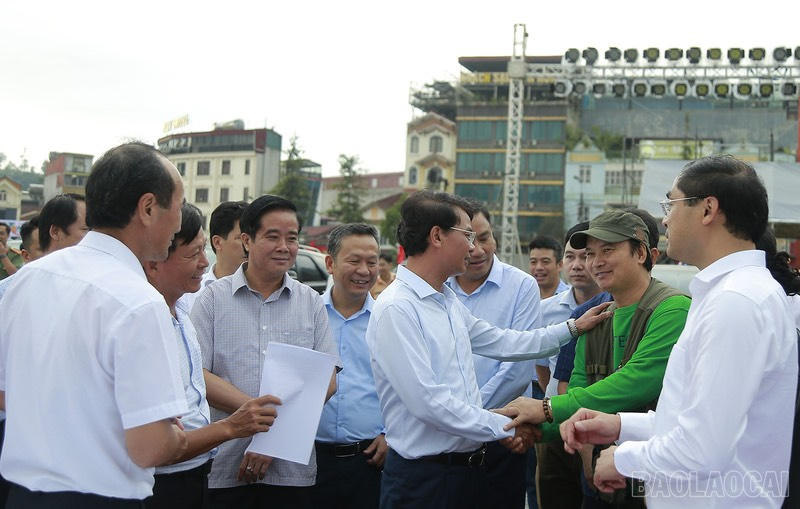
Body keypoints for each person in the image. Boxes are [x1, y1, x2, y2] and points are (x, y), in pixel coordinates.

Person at [559, 155, 798, 508]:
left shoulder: (735, 301)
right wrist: (620, 425)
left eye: (671, 204)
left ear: (708, 209)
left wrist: (623, 459)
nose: (665, 218)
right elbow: (696, 420)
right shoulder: (732, 293)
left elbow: (703, 448)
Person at [367, 190, 611, 509]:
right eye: (467, 235)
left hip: (466, 470)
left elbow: (503, 341)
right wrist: (504, 425)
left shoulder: (445, 301)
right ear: (437, 236)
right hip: (425, 480)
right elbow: (429, 403)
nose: (474, 247)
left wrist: (573, 327)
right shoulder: (398, 308)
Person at [0, 142, 193, 507]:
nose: (180, 222)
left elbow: (7, 393)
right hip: (100, 499)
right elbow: (151, 448)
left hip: (21, 495)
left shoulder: (28, 279)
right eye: (179, 207)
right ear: (148, 208)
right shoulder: (139, 301)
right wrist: (175, 437)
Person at [501, 209, 691, 507]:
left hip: (656, 475)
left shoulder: (672, 309)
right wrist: (535, 430)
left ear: (641, 253)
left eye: (608, 250)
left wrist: (545, 409)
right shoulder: (595, 320)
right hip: (603, 476)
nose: (595, 262)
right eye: (590, 253)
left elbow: (635, 382)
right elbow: (579, 394)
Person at [191, 195, 339, 509]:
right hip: (225, 465)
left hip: (290, 471)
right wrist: (258, 416)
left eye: (292, 238)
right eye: (272, 236)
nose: (284, 247)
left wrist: (273, 438)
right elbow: (197, 375)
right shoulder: (212, 299)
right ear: (247, 240)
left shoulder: (311, 302)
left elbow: (327, 381)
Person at [143, 202, 281, 509]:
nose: (205, 263)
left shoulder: (183, 313)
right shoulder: (145, 321)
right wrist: (232, 426)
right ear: (155, 261)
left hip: (196, 470)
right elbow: (154, 439)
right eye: (193, 254)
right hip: (162, 481)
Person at [445, 203, 541, 509]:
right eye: (468, 240)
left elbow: (517, 370)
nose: (477, 250)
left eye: (484, 238)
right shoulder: (436, 289)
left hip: (503, 435)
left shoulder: (521, 286)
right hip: (444, 440)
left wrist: (468, 417)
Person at [313, 223, 385, 509]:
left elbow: (407, 386)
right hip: (311, 458)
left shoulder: (388, 320)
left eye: (372, 262)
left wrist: (390, 434)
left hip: (370, 460)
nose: (364, 271)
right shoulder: (309, 315)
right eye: (354, 261)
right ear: (330, 263)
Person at [532, 221, 603, 509]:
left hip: (600, 424)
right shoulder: (545, 310)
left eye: (585, 256)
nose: (577, 265)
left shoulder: (617, 306)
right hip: (554, 422)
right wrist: (558, 403)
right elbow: (542, 369)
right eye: (570, 257)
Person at [178, 200, 248, 313]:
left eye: (253, 237)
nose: (249, 245)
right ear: (217, 242)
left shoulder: (266, 292)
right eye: (241, 238)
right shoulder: (188, 292)